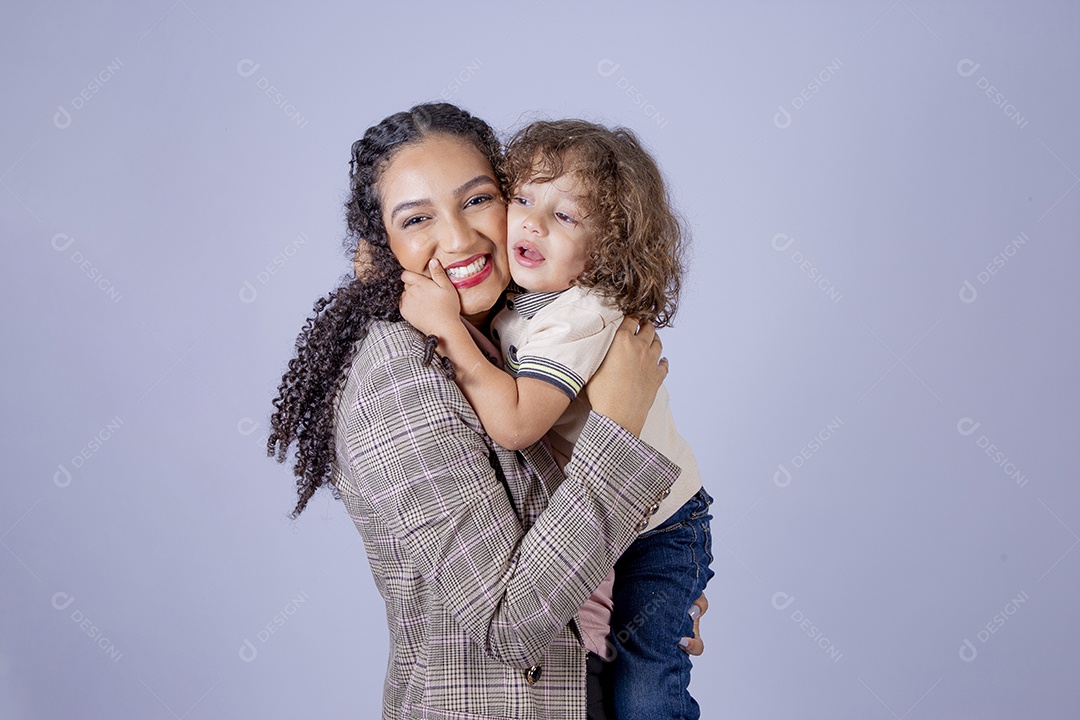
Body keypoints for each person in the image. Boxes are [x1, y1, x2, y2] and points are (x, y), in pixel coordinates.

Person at [267, 103, 704, 720]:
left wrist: (647, 601)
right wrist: (619, 427)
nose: (460, 238)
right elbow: (509, 622)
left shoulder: (510, 334)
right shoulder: (398, 376)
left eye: (477, 200)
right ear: (382, 243)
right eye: (416, 218)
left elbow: (560, 545)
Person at [400, 119, 713, 720]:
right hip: (607, 523)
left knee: (647, 690)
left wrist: (446, 330)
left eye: (565, 215)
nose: (532, 222)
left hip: (658, 529)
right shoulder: (521, 296)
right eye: (521, 198)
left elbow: (517, 425)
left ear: (607, 247)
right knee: (604, 661)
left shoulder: (581, 316)